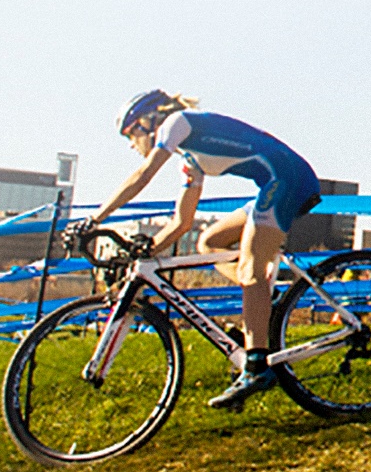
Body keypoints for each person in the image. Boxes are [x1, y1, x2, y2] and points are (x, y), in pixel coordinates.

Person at [76, 91, 322, 410]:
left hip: (288, 179)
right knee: (209, 242)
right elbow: (182, 221)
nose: (130, 144)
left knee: (250, 268)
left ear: (149, 121)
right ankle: (266, 298)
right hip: (273, 183)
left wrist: (95, 219)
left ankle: (257, 368)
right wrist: (147, 250)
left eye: (130, 134)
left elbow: (144, 176)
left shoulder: (176, 123)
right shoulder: (189, 158)